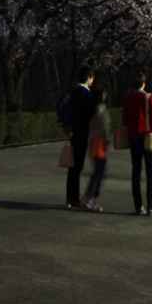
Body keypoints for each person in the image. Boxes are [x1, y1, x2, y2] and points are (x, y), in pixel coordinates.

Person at [121, 70, 152, 216]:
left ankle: (138, 207)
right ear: (144, 84)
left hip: (134, 138)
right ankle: (151, 207)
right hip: (148, 136)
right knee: (151, 173)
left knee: (136, 172)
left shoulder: (127, 98)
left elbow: (124, 119)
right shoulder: (148, 97)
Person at [62, 64, 99, 210]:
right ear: (89, 77)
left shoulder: (71, 92)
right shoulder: (86, 94)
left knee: (72, 167)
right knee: (78, 166)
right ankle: (74, 198)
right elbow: (91, 114)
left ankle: (69, 198)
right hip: (82, 132)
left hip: (72, 131)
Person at [83, 90, 110, 211]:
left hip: (93, 142)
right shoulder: (102, 110)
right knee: (99, 174)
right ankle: (91, 200)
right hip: (100, 144)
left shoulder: (92, 110)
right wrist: (107, 140)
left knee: (97, 173)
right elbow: (105, 128)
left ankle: (88, 198)